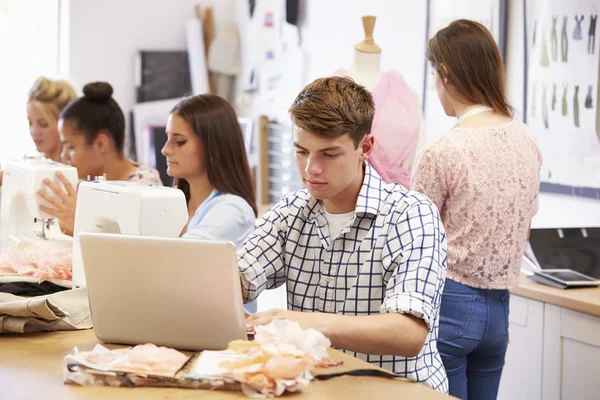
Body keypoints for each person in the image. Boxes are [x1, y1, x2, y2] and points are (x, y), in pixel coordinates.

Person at [239, 76, 449, 392]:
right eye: (301, 152)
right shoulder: (292, 212)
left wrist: (302, 322)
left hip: (396, 392)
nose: (311, 168)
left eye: (329, 154)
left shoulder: (410, 214)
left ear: (365, 147)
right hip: (318, 390)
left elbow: (407, 333)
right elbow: (236, 278)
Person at [411, 19, 542, 400]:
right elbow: (526, 227)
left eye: (435, 77)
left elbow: (416, 243)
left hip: (449, 304)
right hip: (501, 309)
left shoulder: (444, 151)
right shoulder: (526, 139)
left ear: (446, 74)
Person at [162, 94, 259, 313]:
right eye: (168, 139)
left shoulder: (233, 210)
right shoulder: (174, 201)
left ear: (212, 145)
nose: (166, 150)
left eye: (179, 141)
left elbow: (173, 263)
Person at [36, 82, 162, 236]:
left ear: (101, 144)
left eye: (70, 147)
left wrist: (79, 223)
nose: (64, 156)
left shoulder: (144, 187)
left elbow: (129, 250)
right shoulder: (89, 183)